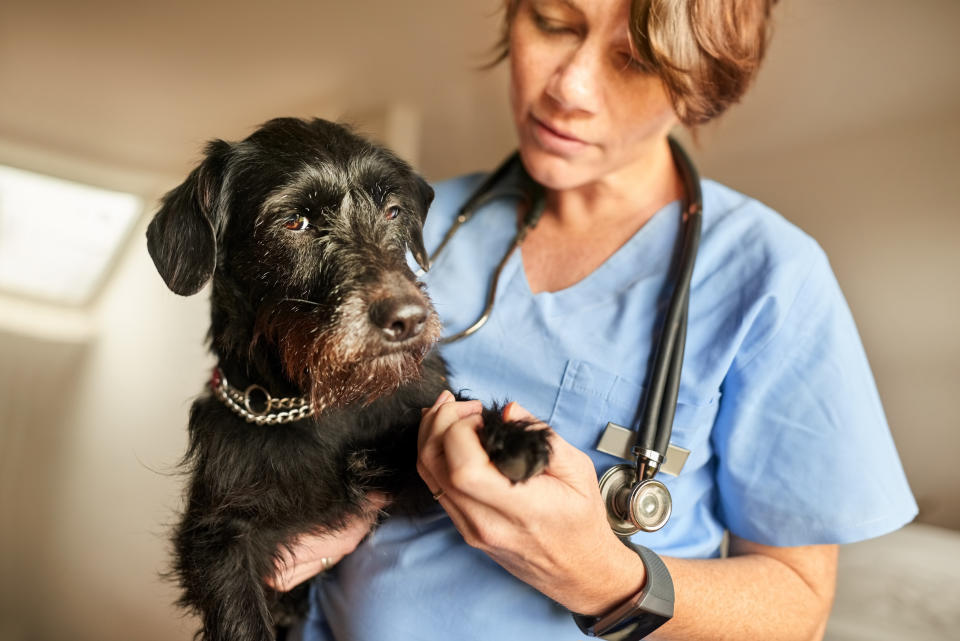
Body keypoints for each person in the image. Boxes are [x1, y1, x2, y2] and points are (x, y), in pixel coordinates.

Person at [269, 0, 918, 639]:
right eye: (553, 23)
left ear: (701, 82)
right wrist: (343, 498)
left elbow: (799, 608)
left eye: (634, 59)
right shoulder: (405, 223)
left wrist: (605, 577)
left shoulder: (771, 278)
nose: (568, 86)